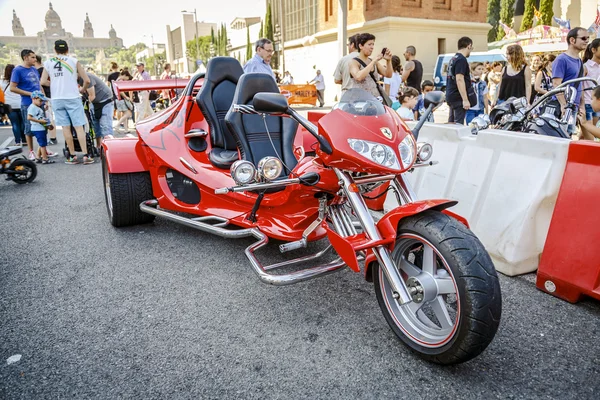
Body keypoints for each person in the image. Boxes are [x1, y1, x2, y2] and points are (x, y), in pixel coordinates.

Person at [40, 40, 93, 165]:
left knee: (65, 127)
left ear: (55, 50)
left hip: (57, 98)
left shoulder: (48, 63)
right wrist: (82, 89)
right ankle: (86, 155)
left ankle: (72, 156)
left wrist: (54, 84)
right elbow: (87, 81)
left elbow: (42, 81)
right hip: (73, 97)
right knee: (79, 126)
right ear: (67, 50)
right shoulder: (74, 61)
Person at [552, 27, 588, 138]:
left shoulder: (579, 62)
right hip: (562, 108)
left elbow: (580, 85)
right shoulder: (561, 59)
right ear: (572, 40)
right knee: (558, 138)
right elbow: (557, 84)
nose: (586, 41)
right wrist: (564, 105)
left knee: (568, 138)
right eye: (583, 38)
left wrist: (582, 105)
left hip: (573, 107)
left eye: (587, 38)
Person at [10, 49, 42, 160]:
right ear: (25, 58)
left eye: (35, 57)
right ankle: (31, 151)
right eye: (32, 57)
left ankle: (42, 150)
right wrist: (30, 94)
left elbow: (38, 84)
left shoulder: (34, 69)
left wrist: (43, 97)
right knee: (29, 128)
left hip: (40, 102)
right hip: (27, 103)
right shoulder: (17, 70)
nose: (35, 59)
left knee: (43, 126)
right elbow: (12, 88)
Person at [348, 33, 393, 98]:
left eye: (373, 44)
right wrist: (373, 61)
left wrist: (388, 61)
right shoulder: (354, 62)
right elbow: (358, 77)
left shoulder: (373, 61)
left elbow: (388, 74)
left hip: (375, 101)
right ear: (361, 46)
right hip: (360, 101)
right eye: (369, 44)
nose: (372, 47)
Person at [446, 36, 476, 124]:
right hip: (458, 97)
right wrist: (465, 99)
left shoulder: (453, 58)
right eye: (471, 48)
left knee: (451, 123)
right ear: (469, 46)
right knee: (458, 125)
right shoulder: (461, 60)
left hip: (451, 95)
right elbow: (459, 79)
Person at [81, 71, 114, 148]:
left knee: (105, 125)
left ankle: (109, 147)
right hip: (95, 103)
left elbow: (92, 96)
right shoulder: (76, 79)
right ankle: (99, 146)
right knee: (95, 125)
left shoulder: (87, 77)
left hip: (105, 101)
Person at [35, 54, 57, 145]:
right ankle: (52, 137)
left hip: (47, 96)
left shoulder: (39, 71)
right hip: (52, 95)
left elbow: (41, 83)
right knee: (50, 117)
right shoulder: (45, 69)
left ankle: (53, 137)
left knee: (49, 118)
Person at [27, 91, 55, 164]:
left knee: (41, 143)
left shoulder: (37, 107)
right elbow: (29, 117)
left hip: (41, 127)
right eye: (40, 100)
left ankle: (38, 157)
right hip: (37, 128)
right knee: (43, 144)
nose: (41, 102)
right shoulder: (32, 107)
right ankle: (45, 158)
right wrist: (40, 121)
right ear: (34, 99)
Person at [2, 65, 26, 145]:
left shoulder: (2, 82)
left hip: (9, 106)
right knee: (22, 123)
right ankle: (24, 140)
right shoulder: (19, 80)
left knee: (15, 124)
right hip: (20, 103)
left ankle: (17, 141)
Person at [583, 39, 600, 125]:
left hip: (597, 104)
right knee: (589, 133)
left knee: (590, 133)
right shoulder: (586, 67)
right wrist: (581, 105)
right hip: (587, 104)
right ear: (593, 50)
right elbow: (580, 86)